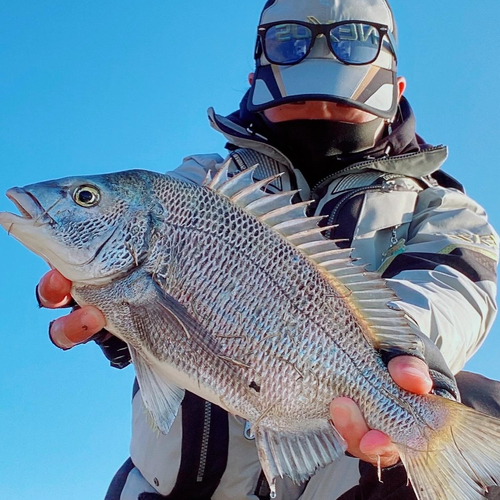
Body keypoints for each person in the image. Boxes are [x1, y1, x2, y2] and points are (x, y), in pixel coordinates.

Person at [37, 0, 500, 498]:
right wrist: (116, 318)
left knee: (478, 404)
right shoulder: (199, 185)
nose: (318, 61)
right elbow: (136, 265)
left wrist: (404, 364)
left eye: (355, 42)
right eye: (288, 41)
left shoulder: (444, 209)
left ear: (397, 87)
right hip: (166, 489)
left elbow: (452, 293)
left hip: (347, 477)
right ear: (257, 72)